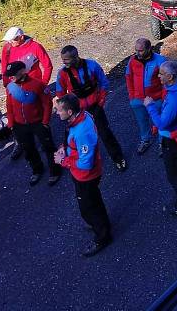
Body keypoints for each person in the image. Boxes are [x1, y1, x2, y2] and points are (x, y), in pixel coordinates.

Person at [53, 94, 113, 257]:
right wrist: (64, 148)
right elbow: (73, 144)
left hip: (86, 176)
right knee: (95, 200)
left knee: (87, 207)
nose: (57, 113)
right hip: (87, 174)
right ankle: (102, 224)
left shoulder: (81, 132)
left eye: (59, 110)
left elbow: (85, 163)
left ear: (70, 111)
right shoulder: (82, 116)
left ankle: (102, 237)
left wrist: (63, 160)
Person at [55, 46, 127, 172]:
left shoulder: (92, 66)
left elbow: (104, 83)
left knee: (105, 133)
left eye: (66, 60)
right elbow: (60, 94)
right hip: (78, 111)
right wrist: (66, 110)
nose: (64, 62)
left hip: (95, 107)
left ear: (75, 57)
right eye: (63, 60)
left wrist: (100, 103)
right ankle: (83, 161)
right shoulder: (62, 74)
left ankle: (118, 157)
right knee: (79, 137)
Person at [144, 61, 177, 216]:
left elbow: (162, 123)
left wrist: (150, 106)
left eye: (161, 73)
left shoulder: (175, 99)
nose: (158, 76)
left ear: (170, 76)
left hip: (173, 139)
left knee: (174, 172)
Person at [4, 61, 61, 186]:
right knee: (28, 149)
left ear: (23, 71)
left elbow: (47, 104)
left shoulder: (38, 84)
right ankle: (37, 170)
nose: (10, 77)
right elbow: (9, 105)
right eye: (9, 75)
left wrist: (45, 122)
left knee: (48, 147)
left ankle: (55, 170)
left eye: (13, 74)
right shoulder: (10, 87)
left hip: (38, 123)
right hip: (20, 125)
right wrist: (11, 123)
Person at [1, 27, 53, 162]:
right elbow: (4, 68)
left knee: (38, 112)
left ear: (21, 37)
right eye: (9, 40)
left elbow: (47, 65)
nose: (11, 43)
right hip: (16, 87)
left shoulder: (35, 47)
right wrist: (7, 84)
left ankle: (43, 139)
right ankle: (19, 142)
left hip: (34, 86)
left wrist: (43, 84)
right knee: (16, 111)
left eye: (13, 40)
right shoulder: (7, 48)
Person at [125, 38, 166, 155]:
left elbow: (166, 81)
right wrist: (132, 96)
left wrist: (162, 97)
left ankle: (162, 143)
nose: (138, 53)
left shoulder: (160, 60)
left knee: (159, 122)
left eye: (141, 50)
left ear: (149, 49)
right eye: (136, 50)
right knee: (142, 122)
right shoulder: (132, 60)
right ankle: (145, 140)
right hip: (138, 100)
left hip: (156, 99)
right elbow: (128, 77)